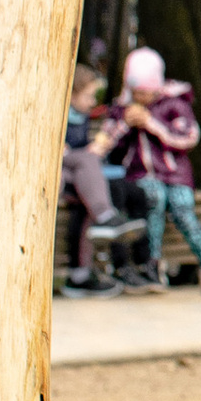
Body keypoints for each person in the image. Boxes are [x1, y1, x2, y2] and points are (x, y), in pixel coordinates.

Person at [115, 46, 201, 291]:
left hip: (176, 176)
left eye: (145, 92)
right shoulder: (124, 108)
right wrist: (125, 124)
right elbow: (113, 147)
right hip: (142, 174)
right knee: (153, 200)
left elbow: (186, 138)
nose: (140, 98)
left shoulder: (175, 104)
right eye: (136, 92)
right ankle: (152, 267)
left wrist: (151, 124)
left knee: (183, 210)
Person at [61, 64, 123, 290]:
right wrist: (88, 153)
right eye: (88, 96)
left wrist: (95, 147)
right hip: (60, 174)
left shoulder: (81, 115)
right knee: (88, 161)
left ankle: (80, 276)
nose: (91, 102)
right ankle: (105, 215)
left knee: (83, 206)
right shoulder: (58, 115)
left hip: (74, 175)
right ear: (72, 94)